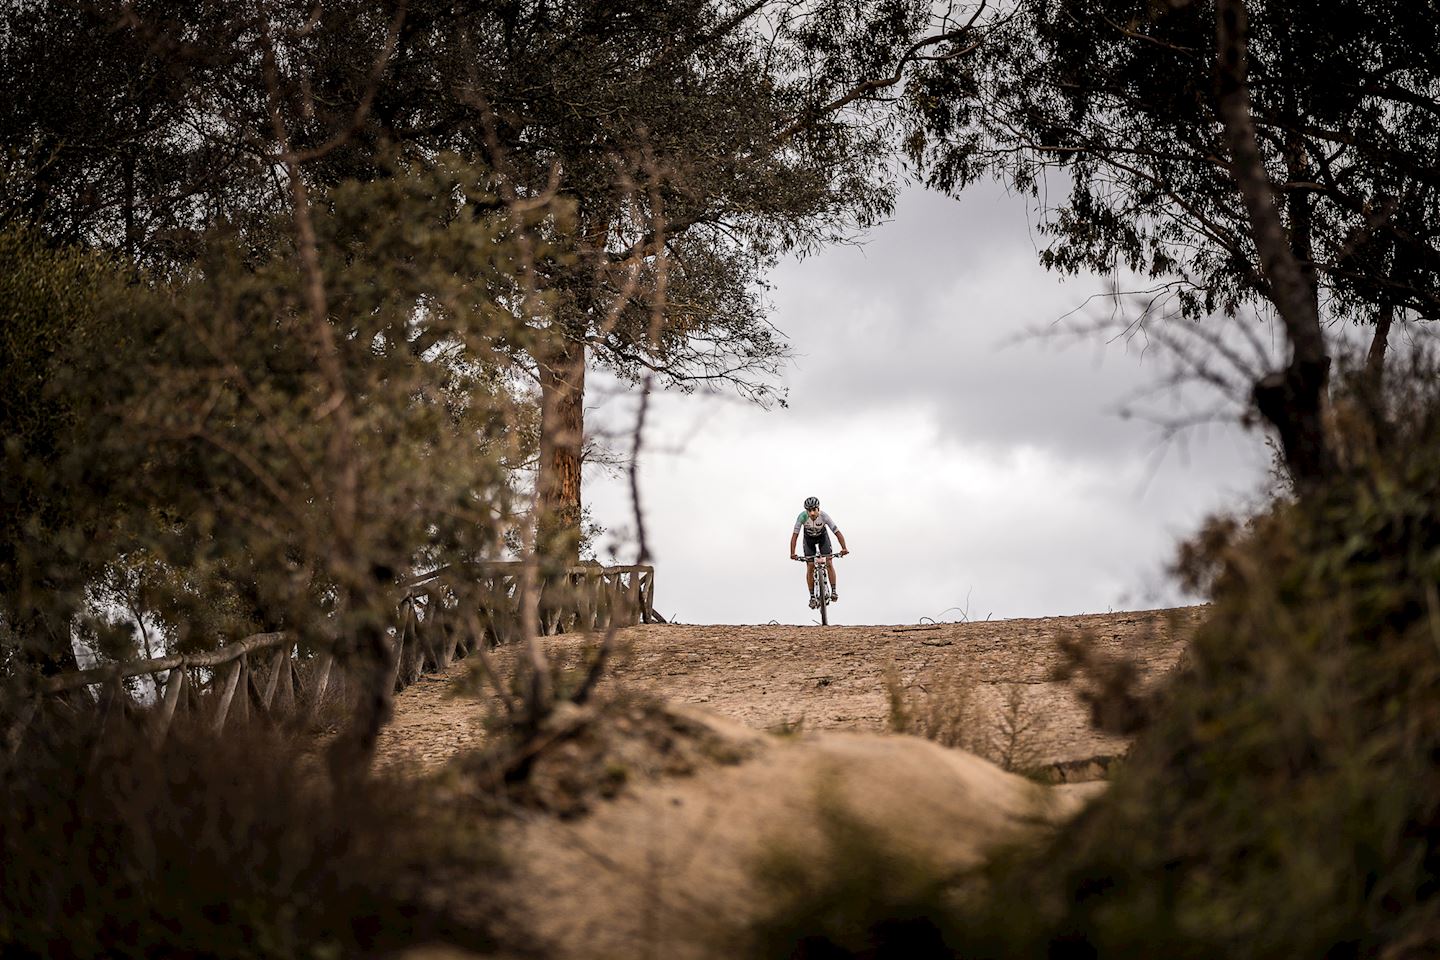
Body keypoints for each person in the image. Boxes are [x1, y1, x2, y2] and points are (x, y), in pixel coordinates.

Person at [789, 496, 849, 608]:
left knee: (829, 562)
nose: (812, 513)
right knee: (810, 566)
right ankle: (812, 596)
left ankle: (834, 591)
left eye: (814, 509)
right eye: (809, 510)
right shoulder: (802, 517)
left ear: (818, 508)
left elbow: (837, 532)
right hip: (808, 540)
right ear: (806, 510)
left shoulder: (824, 516)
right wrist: (792, 553)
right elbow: (794, 536)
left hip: (823, 538)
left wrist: (844, 548)